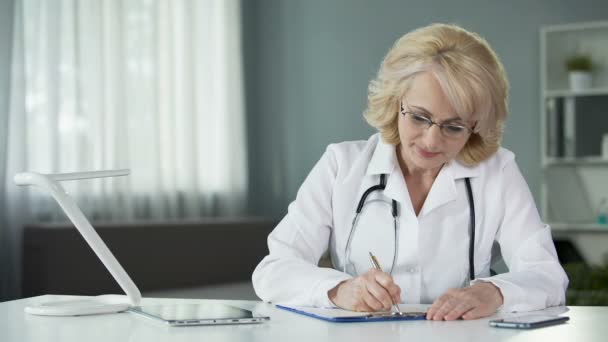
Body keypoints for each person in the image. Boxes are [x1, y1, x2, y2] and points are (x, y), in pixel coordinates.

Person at [252, 23, 568, 321]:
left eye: (454, 126)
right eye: (419, 117)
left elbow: (548, 275)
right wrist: (339, 290)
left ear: (475, 127)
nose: (432, 140)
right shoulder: (341, 165)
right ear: (395, 100)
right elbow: (274, 270)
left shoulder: (497, 171)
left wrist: (495, 292)